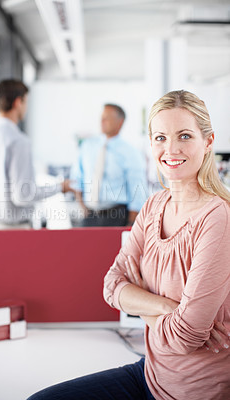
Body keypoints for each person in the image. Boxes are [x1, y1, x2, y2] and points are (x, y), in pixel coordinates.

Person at [26, 90, 230, 400]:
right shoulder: (154, 206)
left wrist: (139, 304)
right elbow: (111, 286)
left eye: (184, 136)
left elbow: (186, 336)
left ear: (208, 142)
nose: (171, 148)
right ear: (151, 144)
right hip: (149, 374)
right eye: (160, 137)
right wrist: (167, 308)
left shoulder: (218, 217)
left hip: (193, 391)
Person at [0, 79, 73, 231]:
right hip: (13, 232)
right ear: (18, 102)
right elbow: (23, 195)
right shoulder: (18, 141)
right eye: (26, 102)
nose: (26, 107)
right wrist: (59, 187)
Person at [71, 104, 148, 226]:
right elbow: (76, 179)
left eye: (107, 118)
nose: (102, 121)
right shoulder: (87, 146)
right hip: (89, 216)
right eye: (102, 117)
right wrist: (82, 207)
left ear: (120, 122)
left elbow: (138, 190)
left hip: (117, 216)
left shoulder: (131, 152)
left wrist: (131, 224)